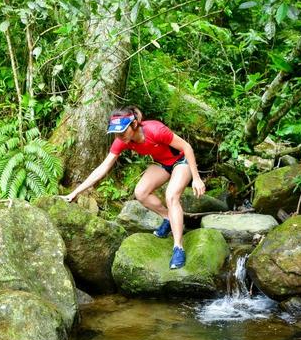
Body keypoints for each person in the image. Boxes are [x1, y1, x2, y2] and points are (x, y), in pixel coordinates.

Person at [61, 105, 205, 269]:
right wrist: (74, 193)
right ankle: (168, 217)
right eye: (116, 133)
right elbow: (103, 167)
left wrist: (196, 178)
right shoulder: (122, 141)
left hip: (181, 161)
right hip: (163, 164)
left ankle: (178, 247)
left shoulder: (156, 130)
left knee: (171, 196)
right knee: (141, 192)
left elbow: (187, 147)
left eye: (122, 132)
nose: (119, 136)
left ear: (134, 125)